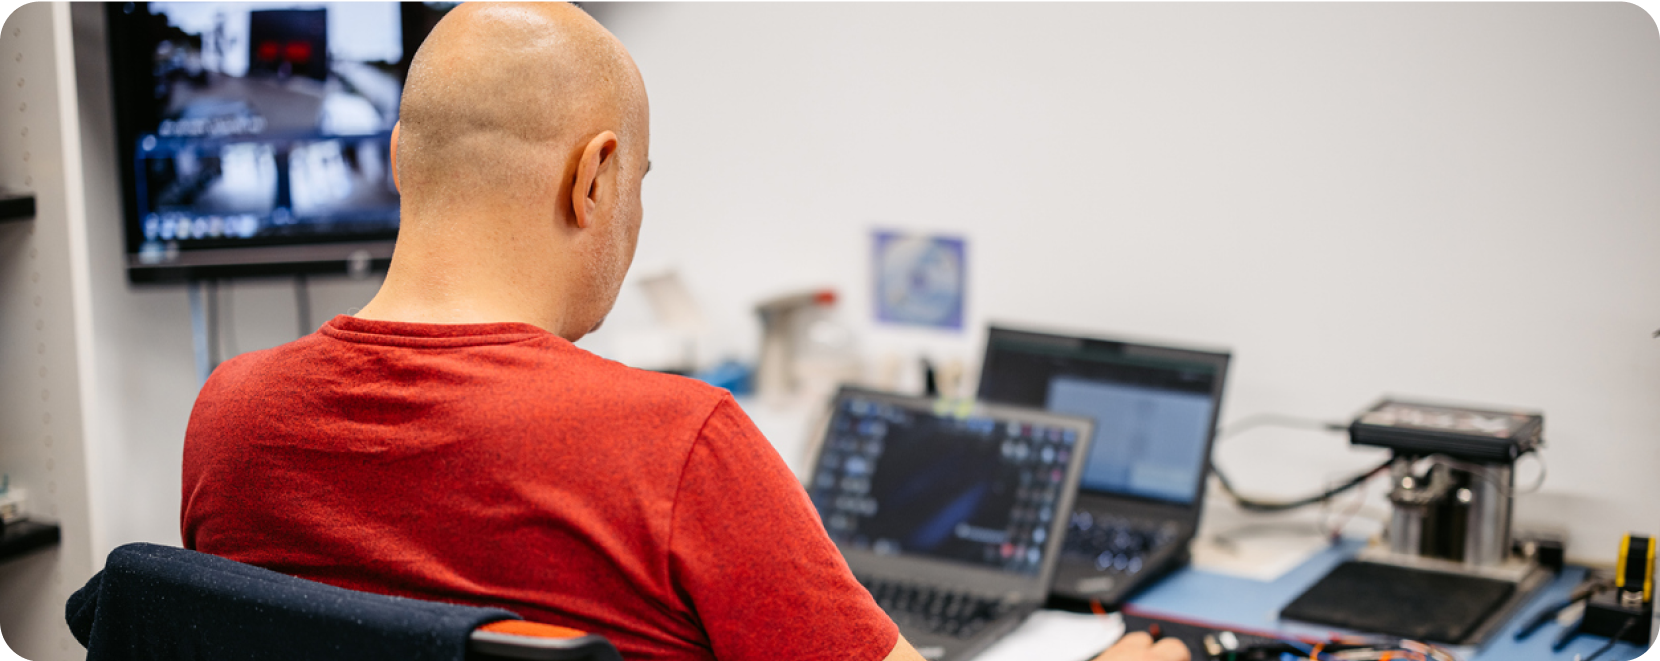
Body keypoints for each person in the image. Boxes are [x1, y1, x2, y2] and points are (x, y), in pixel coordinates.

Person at [178, 3, 1187, 661]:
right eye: (640, 185)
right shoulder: (676, 445)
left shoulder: (228, 415)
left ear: (400, 160)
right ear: (594, 177)